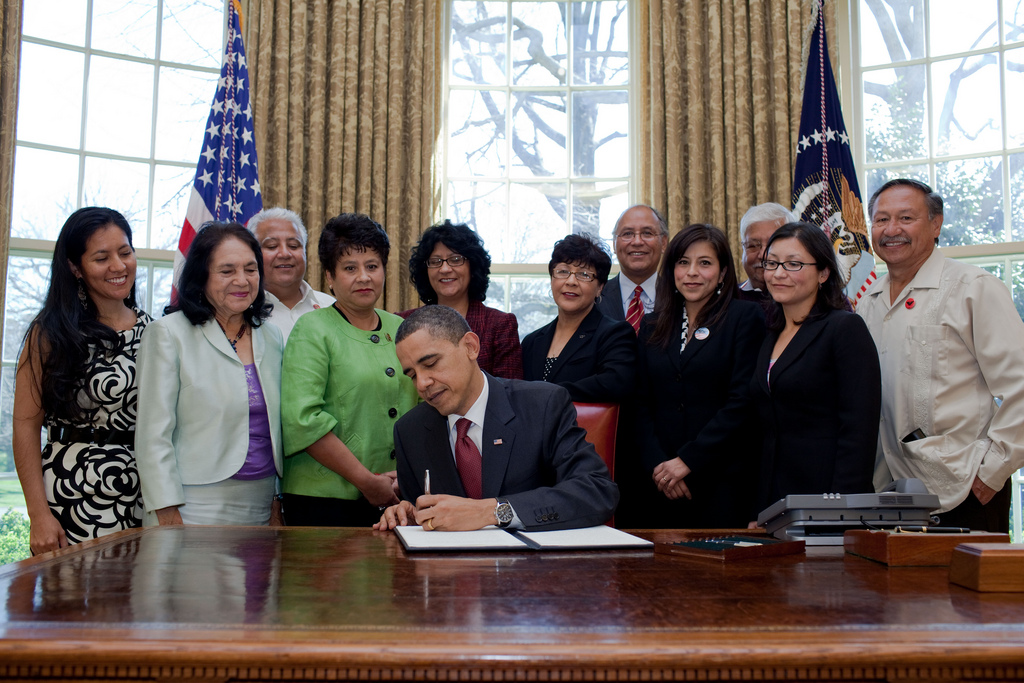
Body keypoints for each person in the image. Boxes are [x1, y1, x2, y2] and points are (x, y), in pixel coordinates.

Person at [859, 179, 1024, 533]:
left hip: (964, 490)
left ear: (936, 224)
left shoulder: (973, 289)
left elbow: (1020, 388)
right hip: (889, 496)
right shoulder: (867, 302)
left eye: (906, 217)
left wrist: (991, 473)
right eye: (881, 219)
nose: (892, 230)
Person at [374, 305, 619, 532]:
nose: (422, 383)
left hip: (533, 571)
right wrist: (410, 514)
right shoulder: (410, 432)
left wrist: (492, 511)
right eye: (412, 375)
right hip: (449, 574)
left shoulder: (542, 406)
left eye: (430, 363)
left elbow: (596, 492)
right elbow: (424, 515)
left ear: (470, 347)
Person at [13, 207, 152, 554]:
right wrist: (38, 515)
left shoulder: (157, 332)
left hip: (142, 496)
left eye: (125, 252)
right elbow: (25, 426)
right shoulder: (49, 333)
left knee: (134, 606)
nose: (119, 267)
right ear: (75, 268)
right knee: (70, 606)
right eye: (101, 258)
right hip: (70, 493)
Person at [135, 222, 283, 526]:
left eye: (250, 269)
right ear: (201, 276)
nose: (241, 280)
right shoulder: (167, 334)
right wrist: (166, 510)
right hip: (192, 505)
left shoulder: (272, 336)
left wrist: (276, 500)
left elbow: (277, 428)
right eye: (227, 271)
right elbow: (153, 435)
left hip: (262, 503)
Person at [281, 213, 419, 526]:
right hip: (324, 501)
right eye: (349, 268)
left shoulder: (404, 328)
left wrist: (406, 473)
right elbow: (303, 421)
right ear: (329, 277)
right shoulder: (312, 329)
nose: (364, 277)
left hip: (399, 496)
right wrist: (367, 481)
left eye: (372, 265)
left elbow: (427, 408)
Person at [635, 224, 765, 528]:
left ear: (721, 273)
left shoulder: (744, 318)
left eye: (704, 263)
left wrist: (688, 461)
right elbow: (639, 404)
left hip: (721, 479)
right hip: (661, 482)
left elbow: (742, 402)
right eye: (683, 262)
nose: (692, 272)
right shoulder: (652, 325)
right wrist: (662, 467)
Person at [751, 222, 881, 513]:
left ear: (823, 273)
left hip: (827, 498)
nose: (779, 273)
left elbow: (859, 430)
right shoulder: (769, 334)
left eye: (794, 264)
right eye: (771, 263)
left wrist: (839, 509)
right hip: (774, 500)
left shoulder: (844, 328)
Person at [400, 220, 523, 379]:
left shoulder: (500, 326)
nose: (445, 269)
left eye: (456, 259)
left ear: (472, 267)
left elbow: (509, 394)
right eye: (435, 261)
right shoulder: (402, 321)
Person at [521, 234, 636, 403]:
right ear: (552, 278)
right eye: (563, 272)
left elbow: (614, 383)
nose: (571, 281)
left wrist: (549, 393)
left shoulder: (615, 334)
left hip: (586, 429)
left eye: (584, 274)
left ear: (600, 288)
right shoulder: (531, 342)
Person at [247, 207, 334, 340]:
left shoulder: (331, 307)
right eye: (272, 246)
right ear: (253, 255)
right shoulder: (243, 312)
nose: (285, 254)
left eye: (293, 246)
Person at [597, 205, 669, 332]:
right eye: (627, 234)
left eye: (647, 233)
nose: (637, 242)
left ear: (663, 243)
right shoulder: (594, 298)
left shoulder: (679, 298)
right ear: (614, 243)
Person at [737, 202, 797, 303]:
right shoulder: (726, 301)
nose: (764, 255)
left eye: (772, 244)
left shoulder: (804, 301)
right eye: (753, 246)